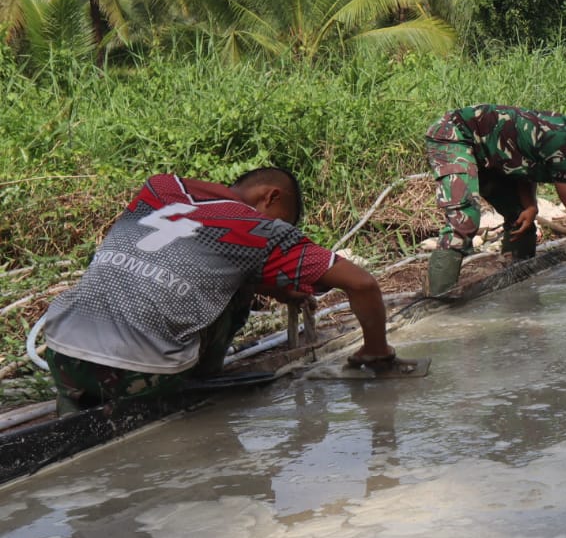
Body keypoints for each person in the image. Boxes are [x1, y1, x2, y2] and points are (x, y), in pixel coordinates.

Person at [42, 168, 397, 413]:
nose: (278, 226)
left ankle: (76, 397)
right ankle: (201, 378)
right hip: (142, 373)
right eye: (282, 218)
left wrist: (273, 289)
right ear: (270, 197)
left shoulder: (159, 187)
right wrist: (375, 351)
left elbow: (190, 255)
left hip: (61, 352)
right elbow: (362, 284)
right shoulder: (261, 228)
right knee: (235, 292)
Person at [423, 104, 566, 294]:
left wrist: (531, 206)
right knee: (465, 219)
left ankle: (516, 280)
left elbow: (525, 165)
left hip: (488, 154)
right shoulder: (561, 143)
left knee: (521, 218)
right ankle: (437, 297)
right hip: (455, 135)